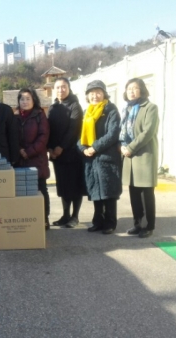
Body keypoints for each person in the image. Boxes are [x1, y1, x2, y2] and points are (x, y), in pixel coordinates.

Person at [78, 80, 122, 235]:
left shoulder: (110, 109)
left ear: (104, 93)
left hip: (106, 157)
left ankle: (110, 223)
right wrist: (83, 149)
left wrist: (94, 147)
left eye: (98, 92)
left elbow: (113, 134)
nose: (94, 95)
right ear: (87, 96)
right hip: (91, 159)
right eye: (91, 93)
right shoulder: (87, 111)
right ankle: (98, 221)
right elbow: (80, 135)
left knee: (108, 191)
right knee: (95, 190)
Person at [120, 78, 160, 238]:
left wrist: (130, 148)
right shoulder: (127, 109)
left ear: (142, 90)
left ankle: (148, 226)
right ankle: (137, 224)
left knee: (146, 194)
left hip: (144, 156)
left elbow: (148, 132)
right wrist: (122, 146)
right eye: (129, 88)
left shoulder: (150, 108)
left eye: (135, 88)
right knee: (134, 193)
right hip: (129, 157)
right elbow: (122, 131)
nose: (131, 91)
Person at [47, 77, 84, 228]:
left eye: (64, 87)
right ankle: (65, 215)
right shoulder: (53, 107)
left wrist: (61, 147)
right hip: (57, 155)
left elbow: (73, 130)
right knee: (62, 186)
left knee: (74, 186)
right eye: (58, 87)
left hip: (72, 153)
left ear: (69, 88)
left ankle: (75, 216)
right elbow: (48, 129)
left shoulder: (75, 106)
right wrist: (50, 148)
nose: (60, 90)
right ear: (54, 89)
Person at [14, 88, 50, 230]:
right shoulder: (15, 116)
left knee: (41, 189)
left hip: (37, 159)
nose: (25, 101)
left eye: (28, 98)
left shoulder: (40, 115)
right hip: (20, 159)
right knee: (22, 190)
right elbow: (11, 135)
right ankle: (26, 218)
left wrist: (29, 152)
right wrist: (19, 150)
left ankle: (44, 218)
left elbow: (43, 137)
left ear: (33, 100)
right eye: (22, 99)